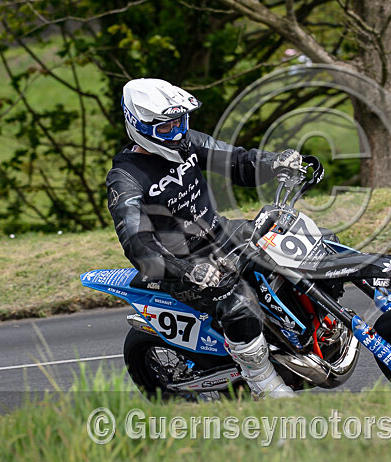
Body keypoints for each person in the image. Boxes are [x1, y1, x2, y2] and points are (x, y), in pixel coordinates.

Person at [106, 78, 301, 398]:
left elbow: (236, 161)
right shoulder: (125, 179)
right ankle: (263, 382)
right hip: (180, 263)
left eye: (181, 122)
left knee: (287, 237)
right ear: (138, 125)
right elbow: (138, 245)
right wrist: (187, 271)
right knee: (240, 305)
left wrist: (274, 162)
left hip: (217, 233)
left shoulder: (187, 142)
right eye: (167, 128)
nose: (178, 133)